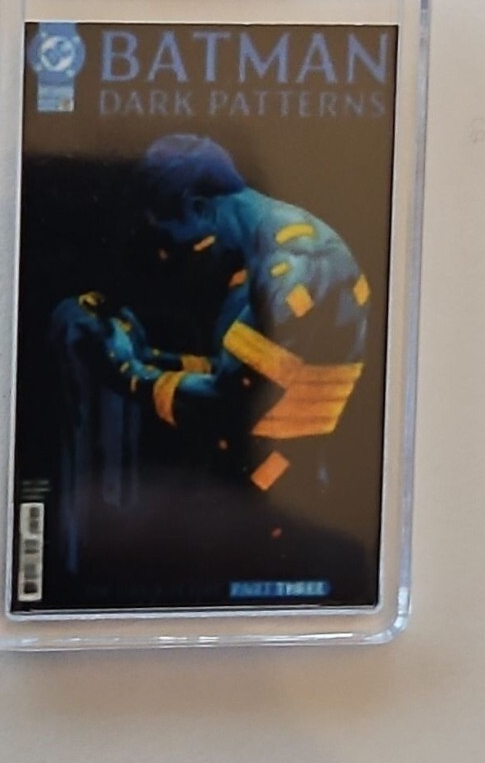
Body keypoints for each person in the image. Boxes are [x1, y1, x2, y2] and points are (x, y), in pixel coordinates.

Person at [51, 134, 370, 504]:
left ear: (198, 207)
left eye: (169, 232)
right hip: (262, 482)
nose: (176, 248)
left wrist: (124, 370)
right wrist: (148, 355)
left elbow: (226, 405)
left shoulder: (298, 265)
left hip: (284, 496)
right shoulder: (263, 256)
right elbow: (235, 371)